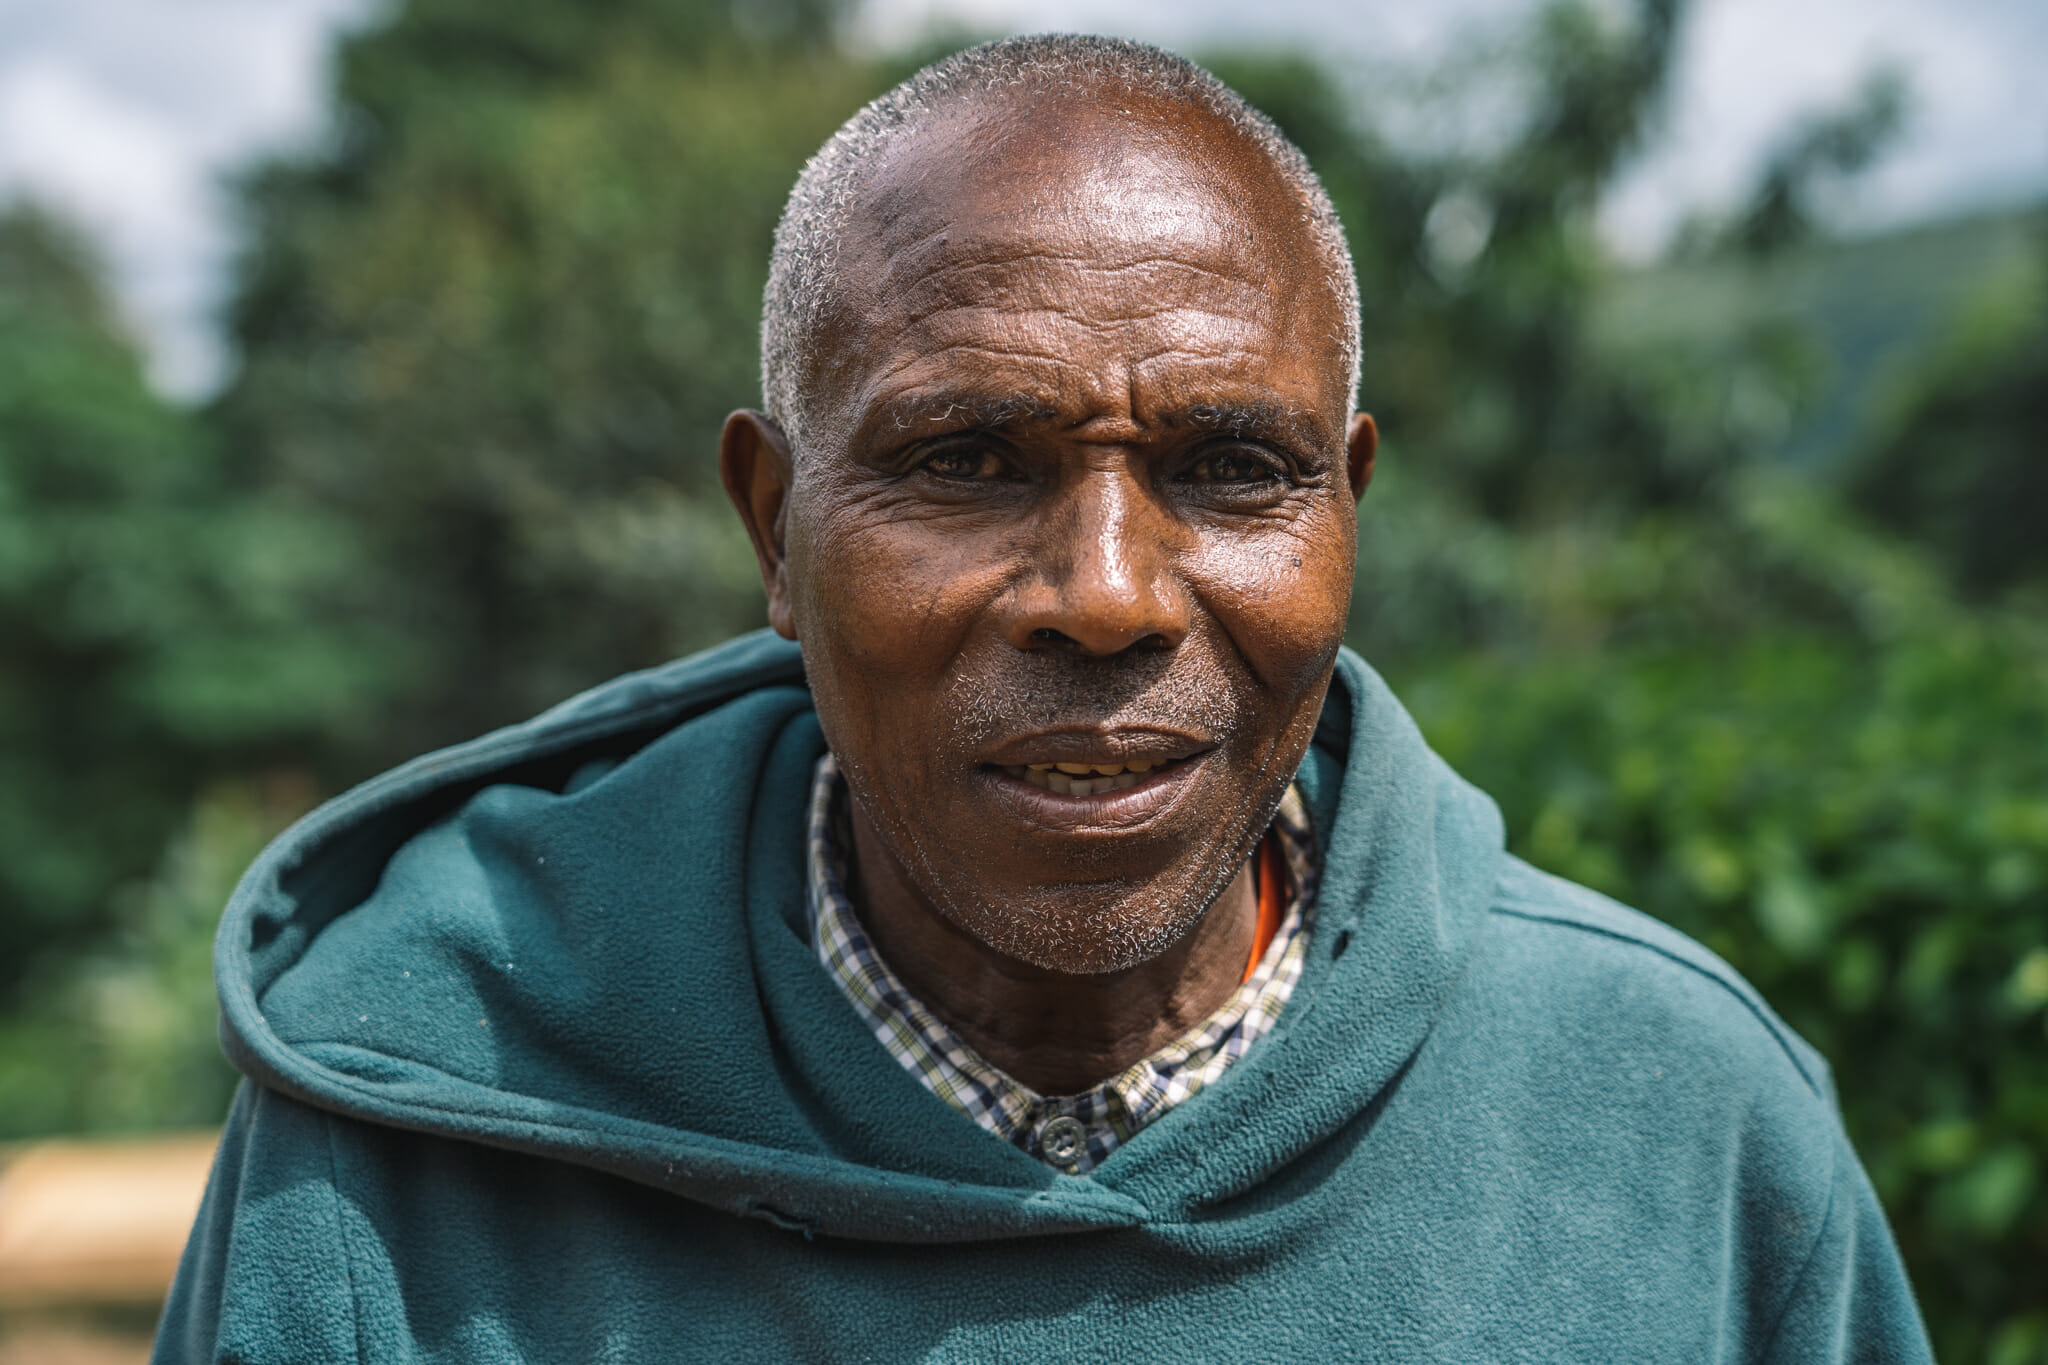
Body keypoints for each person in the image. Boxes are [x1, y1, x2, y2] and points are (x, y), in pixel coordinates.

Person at [155, 34, 1930, 1363]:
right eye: (966, 458)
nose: (1107, 592)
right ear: (777, 527)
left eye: (1235, 465)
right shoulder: (416, 1113)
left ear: (1349, 516)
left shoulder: (1683, 1122)